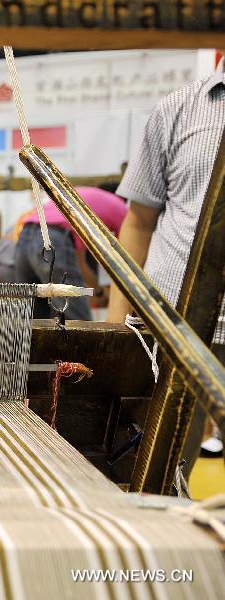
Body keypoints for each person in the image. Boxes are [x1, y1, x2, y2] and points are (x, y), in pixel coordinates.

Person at [109, 58, 225, 462]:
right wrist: (115, 327)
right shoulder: (178, 109)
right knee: (158, 474)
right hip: (174, 329)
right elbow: (138, 224)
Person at [16, 186, 127, 321]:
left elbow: (81, 265)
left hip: (26, 234)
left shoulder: (90, 201)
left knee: (34, 320)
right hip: (52, 237)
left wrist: (97, 291)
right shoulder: (124, 213)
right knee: (77, 322)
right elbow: (127, 267)